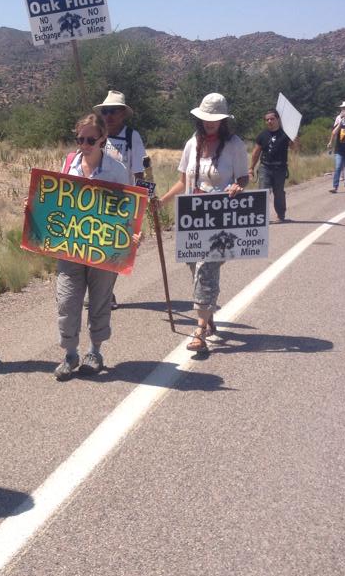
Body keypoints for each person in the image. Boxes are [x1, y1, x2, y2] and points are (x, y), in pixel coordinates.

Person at [158, 93, 249, 354]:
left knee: (206, 269)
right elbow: (182, 181)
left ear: (223, 120)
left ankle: (199, 331)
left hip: (220, 220)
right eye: (206, 118)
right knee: (194, 266)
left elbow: (243, 177)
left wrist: (236, 186)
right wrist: (162, 202)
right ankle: (209, 319)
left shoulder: (234, 145)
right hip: (192, 218)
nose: (210, 123)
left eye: (215, 119)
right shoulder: (192, 143)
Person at [53, 112, 140, 380]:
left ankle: (95, 352)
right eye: (80, 139)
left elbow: (127, 211)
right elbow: (56, 201)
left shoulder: (117, 171)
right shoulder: (69, 165)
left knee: (99, 301)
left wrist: (132, 236)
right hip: (71, 247)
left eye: (91, 139)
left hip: (104, 249)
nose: (85, 144)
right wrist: (34, 207)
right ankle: (70, 354)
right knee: (67, 302)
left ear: (102, 138)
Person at [92, 90, 147, 309]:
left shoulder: (131, 136)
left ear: (123, 114)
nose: (109, 115)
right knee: (95, 244)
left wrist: (144, 201)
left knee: (115, 249)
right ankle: (100, 292)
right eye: (106, 111)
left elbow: (140, 173)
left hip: (122, 202)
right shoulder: (97, 135)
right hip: (96, 200)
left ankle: (106, 293)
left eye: (114, 111)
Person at [249, 109, 299, 221]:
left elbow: (294, 148)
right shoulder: (262, 135)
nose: (269, 121)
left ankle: (280, 215)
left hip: (280, 168)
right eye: (267, 120)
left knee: (279, 192)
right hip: (265, 167)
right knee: (263, 192)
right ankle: (261, 217)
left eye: (272, 119)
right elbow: (256, 152)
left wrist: (295, 142)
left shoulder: (286, 134)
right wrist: (251, 168)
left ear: (278, 119)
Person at [328, 103, 345, 192]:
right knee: (338, 167)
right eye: (343, 108)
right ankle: (335, 187)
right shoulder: (338, 118)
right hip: (339, 148)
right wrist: (342, 121)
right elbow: (334, 132)